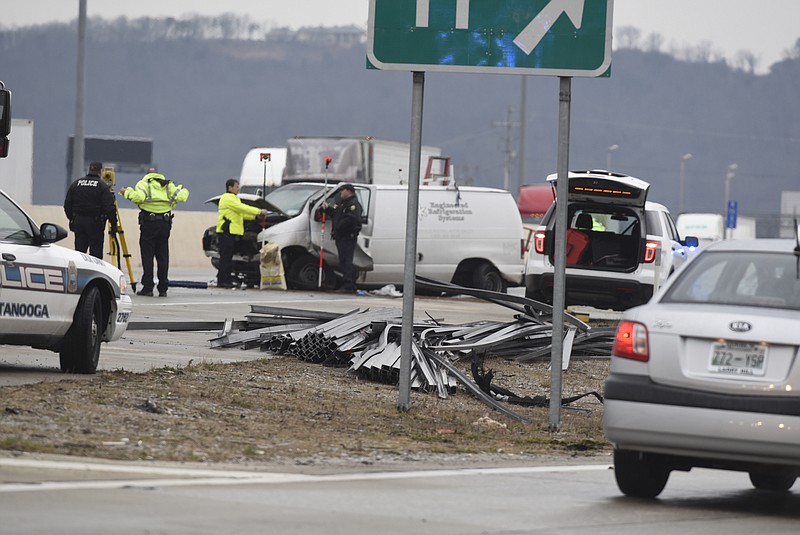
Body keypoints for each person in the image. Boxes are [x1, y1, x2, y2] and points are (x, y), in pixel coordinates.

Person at [119, 168, 189, 297]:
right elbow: (182, 196)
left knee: (148, 256)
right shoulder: (168, 185)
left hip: (149, 224)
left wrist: (126, 192)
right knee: (163, 256)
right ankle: (163, 288)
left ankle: (148, 287)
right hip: (165, 223)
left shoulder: (144, 184)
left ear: (147, 175)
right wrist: (182, 188)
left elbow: (138, 197)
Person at [216, 178, 267, 288]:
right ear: (230, 188)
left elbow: (241, 214)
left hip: (230, 232)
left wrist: (255, 216)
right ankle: (223, 281)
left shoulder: (234, 198)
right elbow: (241, 208)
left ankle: (225, 279)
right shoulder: (228, 198)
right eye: (237, 186)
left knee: (228, 257)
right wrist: (258, 211)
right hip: (226, 232)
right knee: (225, 258)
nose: (238, 189)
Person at [63, 161, 117, 259]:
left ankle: (79, 272)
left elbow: (67, 204)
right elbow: (109, 207)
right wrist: (113, 224)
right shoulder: (102, 186)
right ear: (100, 171)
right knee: (95, 254)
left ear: (89, 169)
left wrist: (72, 219)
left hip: (78, 221)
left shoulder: (76, 184)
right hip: (95, 223)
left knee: (79, 253)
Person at [323, 183, 363, 293]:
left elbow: (351, 220)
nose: (341, 193)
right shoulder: (344, 204)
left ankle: (348, 286)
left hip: (347, 237)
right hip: (342, 237)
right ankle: (348, 284)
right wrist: (327, 209)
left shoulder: (353, 205)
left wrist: (339, 227)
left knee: (346, 261)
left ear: (349, 191)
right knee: (343, 261)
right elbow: (337, 214)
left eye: (342, 191)